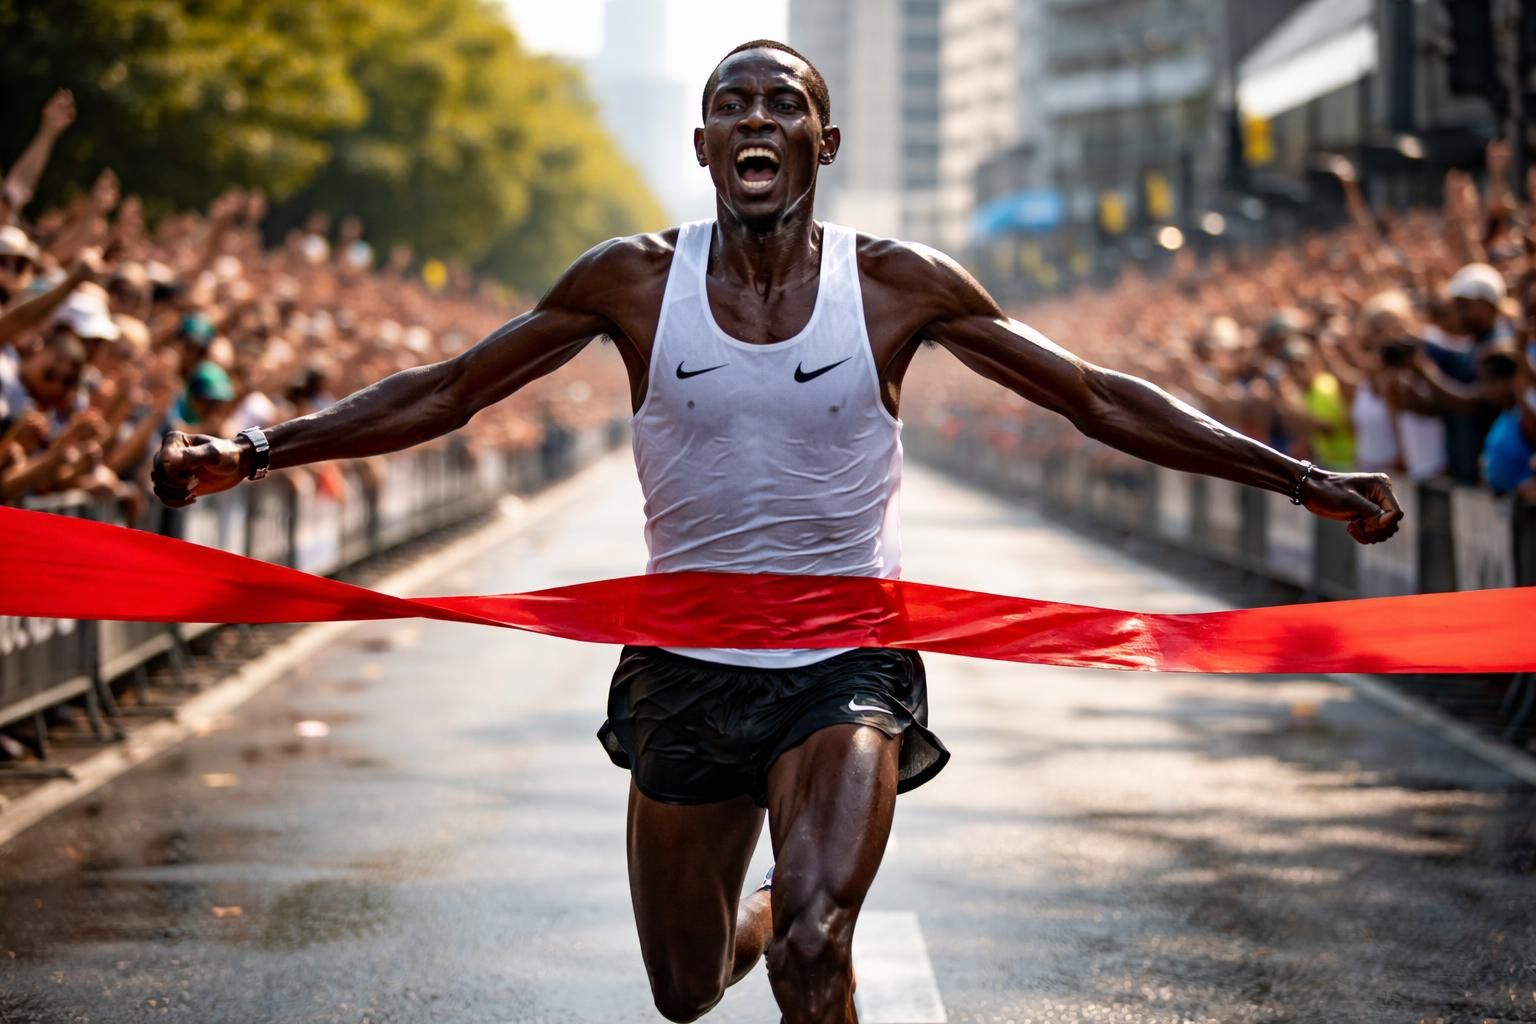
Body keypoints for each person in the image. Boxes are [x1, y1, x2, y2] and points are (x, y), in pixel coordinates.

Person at [151, 40, 1403, 1023]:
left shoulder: (901, 282)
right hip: (686, 666)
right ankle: (750, 917)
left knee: (818, 950)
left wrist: (1298, 473)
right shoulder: (632, 279)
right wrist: (255, 449)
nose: (758, 120)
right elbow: (446, 390)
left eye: (781, 104)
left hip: (845, 665)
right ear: (703, 145)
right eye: (733, 106)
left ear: (823, 139)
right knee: (688, 989)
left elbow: (1094, 395)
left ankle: (792, 917)